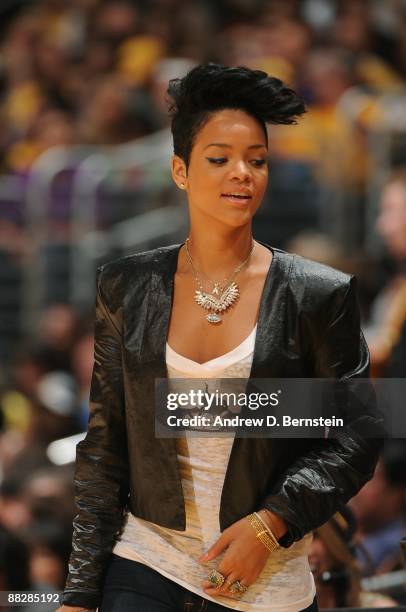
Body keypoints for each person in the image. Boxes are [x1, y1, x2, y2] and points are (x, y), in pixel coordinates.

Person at [58, 64, 383, 612]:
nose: (242, 174)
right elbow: (105, 445)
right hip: (146, 563)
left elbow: (359, 435)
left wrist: (269, 524)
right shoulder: (125, 287)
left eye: (257, 160)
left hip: (268, 581)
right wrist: (79, 592)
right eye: (219, 159)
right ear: (180, 171)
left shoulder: (317, 294)